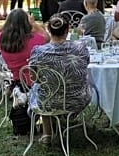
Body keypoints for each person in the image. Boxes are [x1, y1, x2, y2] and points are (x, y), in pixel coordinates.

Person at [27, 15, 91, 145]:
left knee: (41, 89)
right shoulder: (81, 48)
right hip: (77, 99)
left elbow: (34, 78)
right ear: (67, 29)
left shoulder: (39, 52)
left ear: (49, 30)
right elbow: (85, 66)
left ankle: (47, 133)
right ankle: (65, 121)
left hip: (49, 102)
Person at [0, 8, 49, 83]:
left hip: (14, 77)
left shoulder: (2, 39)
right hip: (33, 78)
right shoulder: (33, 39)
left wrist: (5, 25)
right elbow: (47, 38)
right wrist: (34, 24)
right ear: (27, 23)